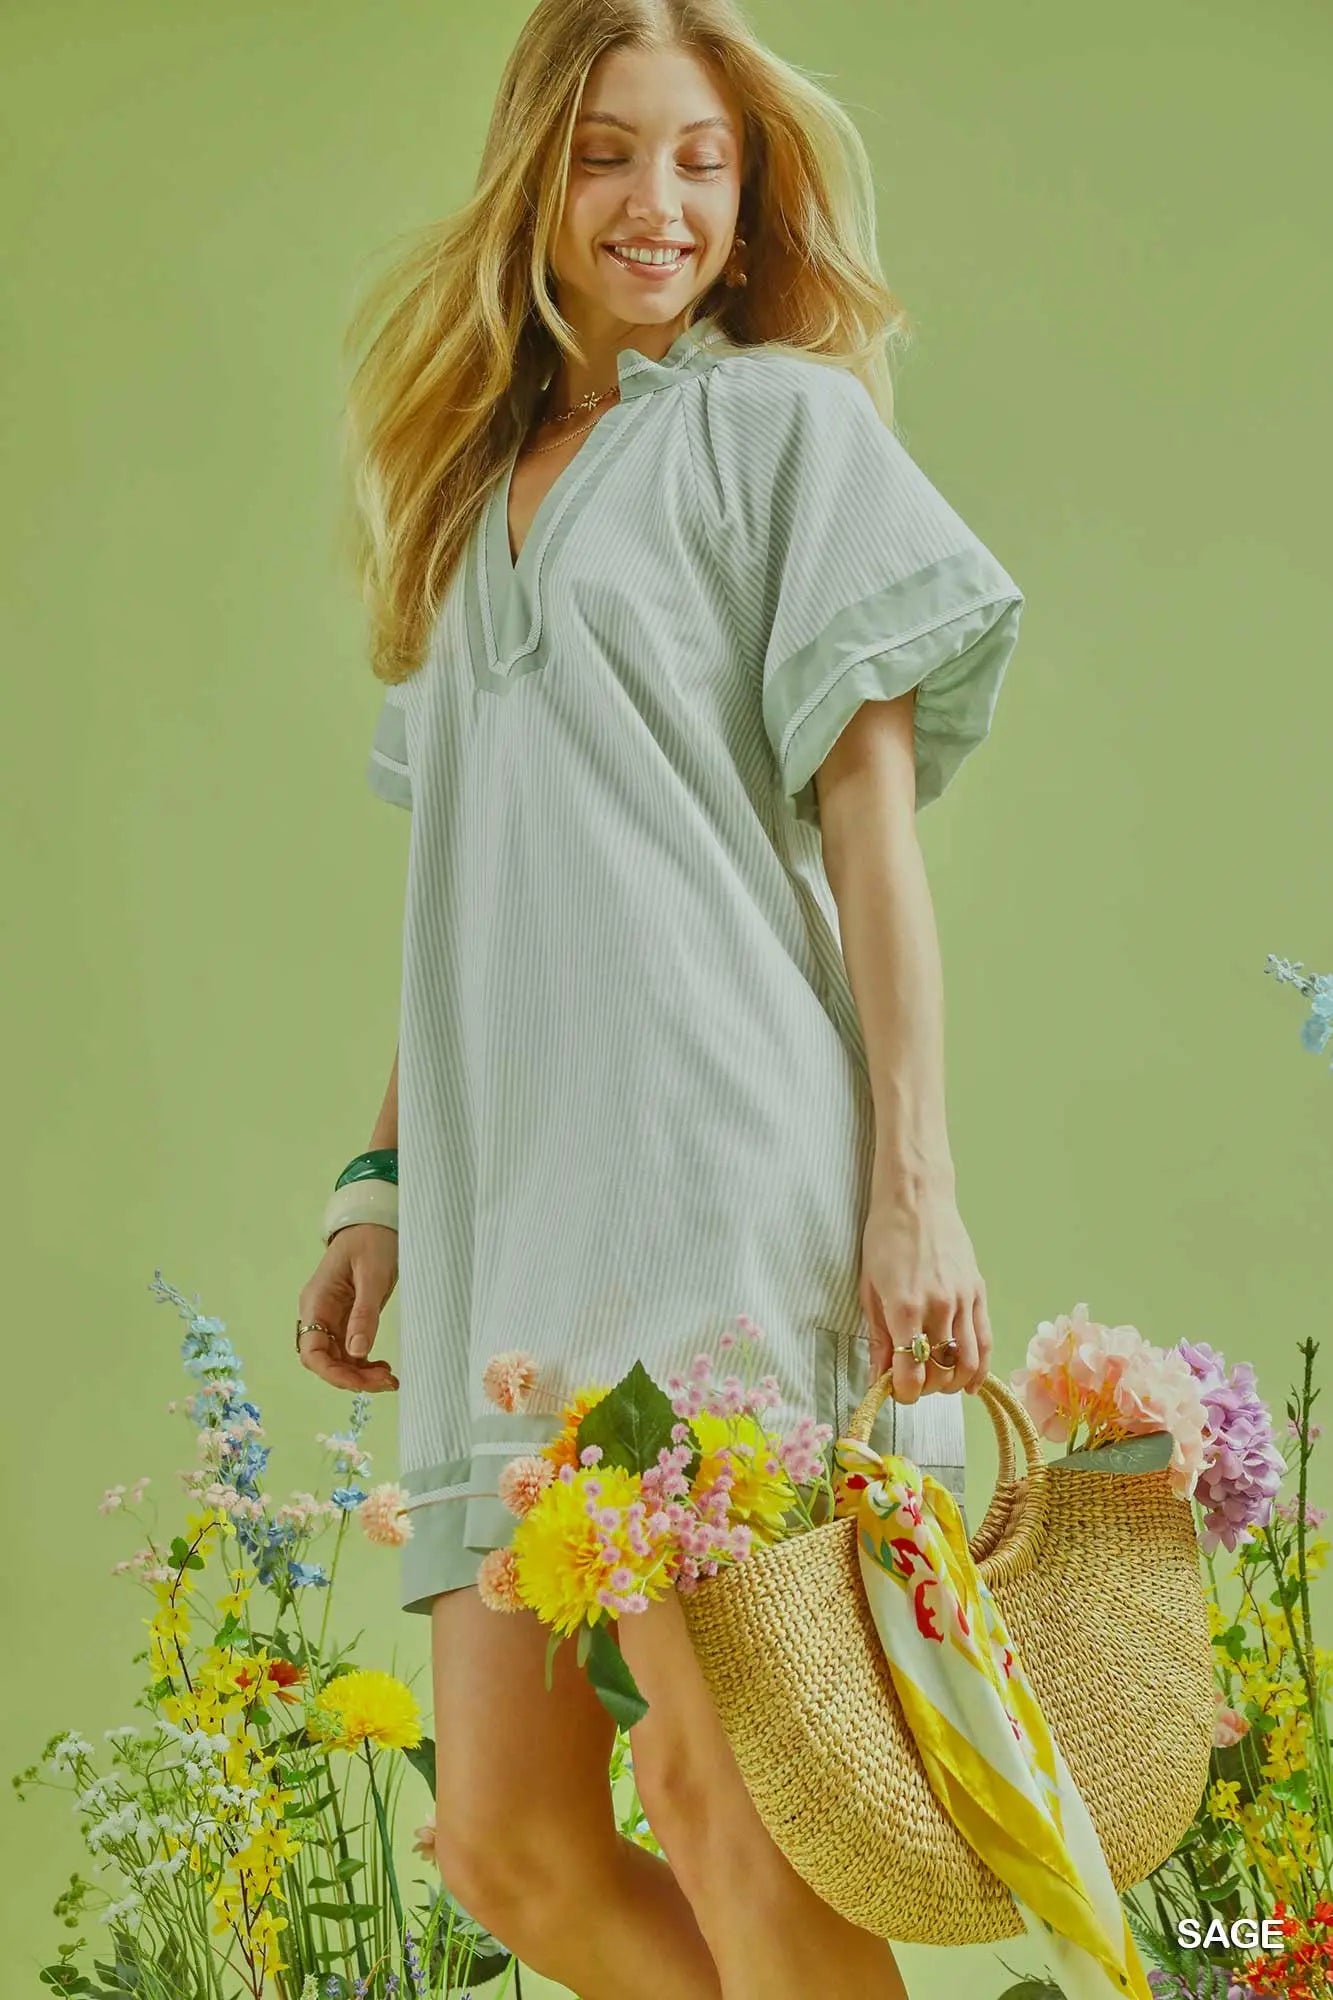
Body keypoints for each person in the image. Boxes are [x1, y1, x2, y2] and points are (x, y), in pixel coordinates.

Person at [296, 2, 1024, 1994]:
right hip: (510, 1210)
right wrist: (376, 1182)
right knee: (506, 1834)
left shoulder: (785, 428)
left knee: (724, 1796)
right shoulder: (460, 502)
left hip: (709, 1176)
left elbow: (873, 841)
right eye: (612, 152)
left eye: (702, 159)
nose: (659, 201)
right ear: (539, 170)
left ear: (749, 187)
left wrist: (915, 1189)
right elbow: (468, 888)